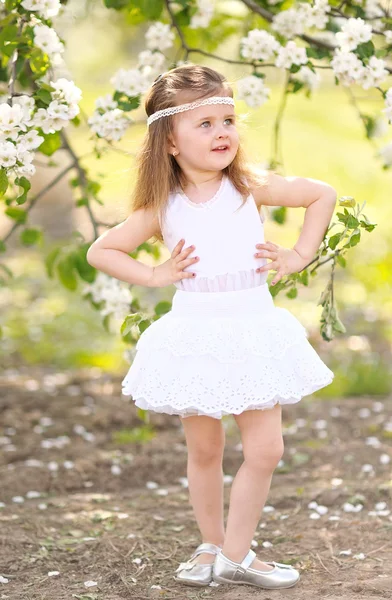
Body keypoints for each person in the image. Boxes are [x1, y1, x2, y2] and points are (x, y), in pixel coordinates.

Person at [87, 64, 336, 590]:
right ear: (170, 142)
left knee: (266, 449)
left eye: (228, 120)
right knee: (204, 449)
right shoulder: (163, 206)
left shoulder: (248, 186)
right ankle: (210, 546)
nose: (223, 132)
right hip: (196, 330)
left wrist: (298, 254)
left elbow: (322, 194)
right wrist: (154, 274)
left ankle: (236, 553)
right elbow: (102, 250)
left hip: (251, 326)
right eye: (205, 124)